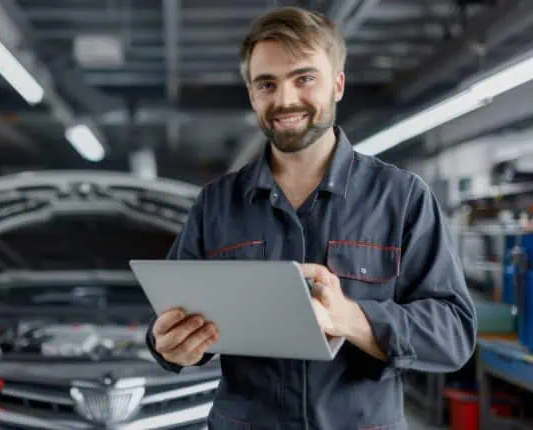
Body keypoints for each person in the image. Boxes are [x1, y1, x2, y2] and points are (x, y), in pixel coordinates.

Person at [145, 6, 477, 430]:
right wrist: (167, 345)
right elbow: (171, 317)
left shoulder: (403, 198)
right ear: (252, 95)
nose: (284, 100)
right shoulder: (215, 204)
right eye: (267, 84)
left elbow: (454, 333)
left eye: (304, 78)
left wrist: (351, 319)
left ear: (337, 84)